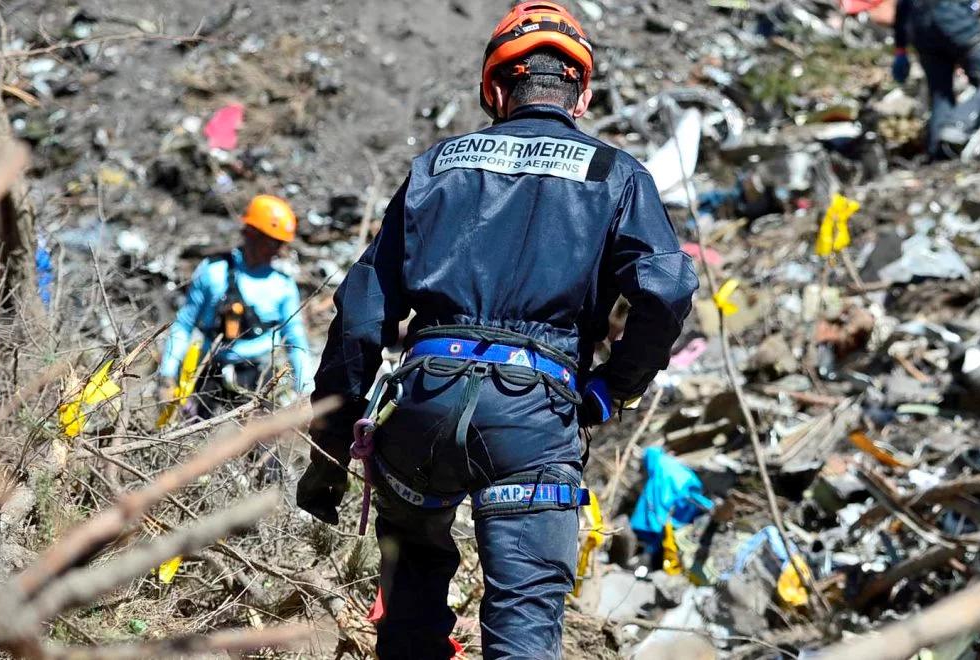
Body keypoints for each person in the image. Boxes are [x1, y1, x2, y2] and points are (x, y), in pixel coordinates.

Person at [295, 2, 698, 658]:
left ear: (494, 88)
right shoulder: (615, 173)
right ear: (582, 93)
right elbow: (668, 289)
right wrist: (610, 389)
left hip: (422, 404)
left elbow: (363, 313)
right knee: (524, 625)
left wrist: (328, 453)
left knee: (410, 605)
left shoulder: (437, 166)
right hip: (532, 421)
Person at [159, 194, 312, 416]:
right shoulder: (213, 271)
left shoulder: (283, 286)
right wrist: (167, 375)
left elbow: (296, 340)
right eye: (271, 241)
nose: (276, 250)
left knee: (260, 447)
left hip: (259, 378)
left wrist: (305, 391)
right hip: (210, 372)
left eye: (280, 243)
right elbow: (184, 324)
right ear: (250, 233)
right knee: (197, 440)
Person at [891, 0, 980, 159]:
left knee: (940, 93)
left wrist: (900, 49)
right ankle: (957, 125)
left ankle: (937, 151)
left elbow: (902, 7)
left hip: (921, 30)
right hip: (956, 23)